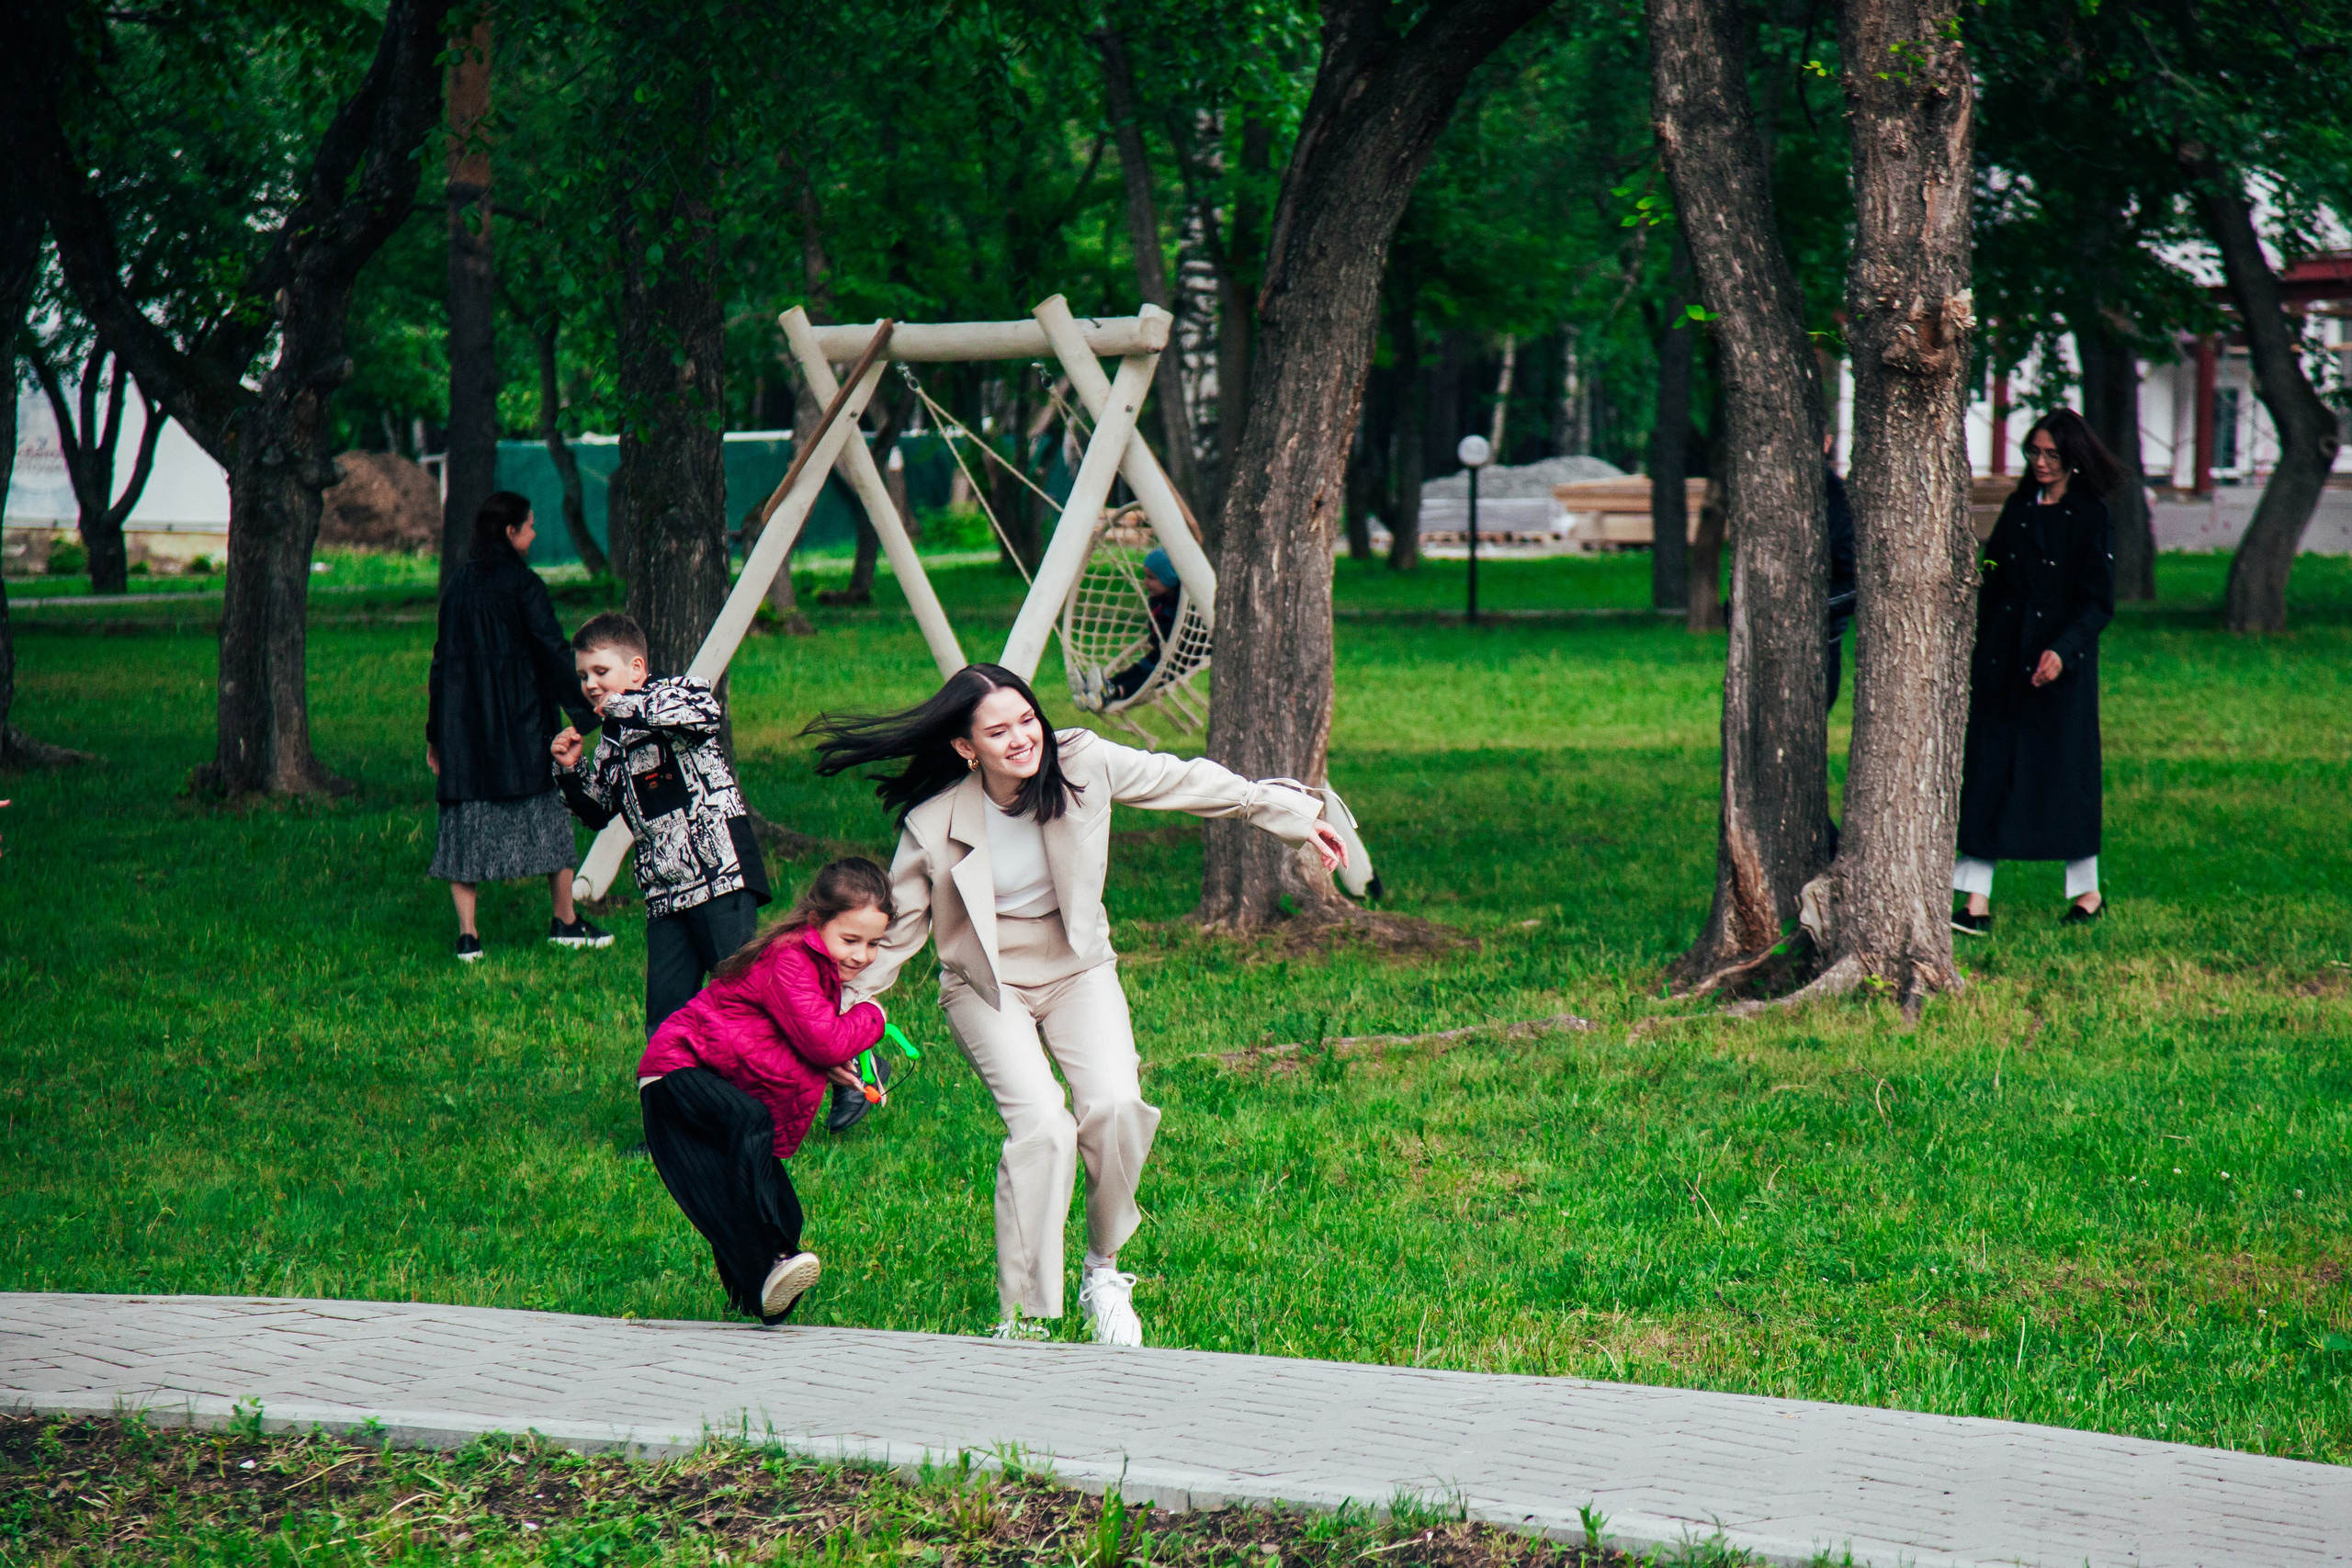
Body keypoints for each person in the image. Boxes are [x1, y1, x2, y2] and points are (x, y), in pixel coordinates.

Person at [806, 663, 1348, 1346]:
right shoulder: (932, 823)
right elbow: (894, 939)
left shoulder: (1085, 761)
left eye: (1027, 719)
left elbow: (1184, 780)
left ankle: (1103, 1269)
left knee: (1117, 1107)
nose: (1021, 738)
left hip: (1077, 967)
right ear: (967, 748)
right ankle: (1026, 1318)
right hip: (986, 984)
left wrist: (1292, 817)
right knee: (1045, 1129)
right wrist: (833, 1026)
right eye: (997, 731)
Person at [637, 858, 894, 1323]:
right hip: (677, 1071)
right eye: (851, 940)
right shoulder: (793, 957)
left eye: (875, 943)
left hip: (713, 1078)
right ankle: (771, 1263)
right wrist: (873, 1015)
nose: (862, 955)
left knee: (783, 1212)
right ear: (817, 923)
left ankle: (755, 1307)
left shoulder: (817, 969)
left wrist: (830, 1067)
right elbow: (823, 1039)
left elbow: (787, 1039)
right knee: (749, 1122)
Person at [551, 613, 772, 1033]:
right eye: (583, 676)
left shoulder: (675, 693)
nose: (590, 684)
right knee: (667, 1021)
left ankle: (836, 1074)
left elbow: (704, 714)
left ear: (636, 669)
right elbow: (597, 811)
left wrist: (619, 703)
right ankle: (671, 1094)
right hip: (665, 895)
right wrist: (570, 769)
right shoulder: (611, 740)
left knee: (744, 1002)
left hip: (719, 878)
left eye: (600, 671)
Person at [425, 491, 609, 962]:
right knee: (550, 816)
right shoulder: (525, 585)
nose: (534, 532)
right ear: (509, 533)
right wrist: (587, 713)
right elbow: (552, 651)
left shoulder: (457, 586)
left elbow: (441, 663)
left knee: (464, 824)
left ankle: (468, 936)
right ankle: (565, 921)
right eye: (528, 525)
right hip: (523, 721)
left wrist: (435, 734)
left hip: (464, 727)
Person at [1952, 409, 2116, 934]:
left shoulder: (2092, 514)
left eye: (2051, 455)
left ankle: (2087, 894)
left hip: (2061, 666)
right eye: (2034, 453)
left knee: (2066, 778)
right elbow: (1995, 572)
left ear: (2073, 459)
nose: (2041, 463)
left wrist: (2062, 652)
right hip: (2004, 658)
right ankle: (1975, 902)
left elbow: (2097, 602)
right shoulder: (2020, 506)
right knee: (1988, 772)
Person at [1100, 548, 1182, 705]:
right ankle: (1105, 685)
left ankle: (1117, 692)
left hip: (1177, 660)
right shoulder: (1160, 600)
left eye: (1151, 578)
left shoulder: (1179, 605)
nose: (1145, 582)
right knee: (1137, 669)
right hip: (1161, 652)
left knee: (1148, 677)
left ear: (1169, 578)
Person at [1824, 437, 1857, 711]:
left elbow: (1855, 586)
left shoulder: (1839, 501)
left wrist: (1808, 610)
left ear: (1827, 442)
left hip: (1820, 638)